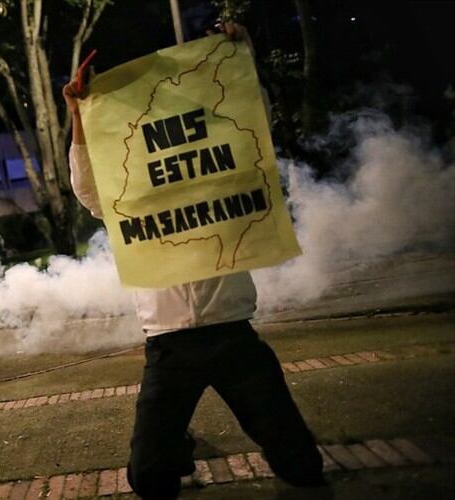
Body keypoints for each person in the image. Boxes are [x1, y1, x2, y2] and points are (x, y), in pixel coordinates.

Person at [62, 21, 325, 500]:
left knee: (304, 467)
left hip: (233, 334)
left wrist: (239, 54)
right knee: (149, 481)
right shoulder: (127, 197)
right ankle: (174, 444)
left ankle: (180, 440)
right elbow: (86, 187)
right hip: (169, 346)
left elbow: (251, 131)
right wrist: (79, 113)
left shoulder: (222, 173)